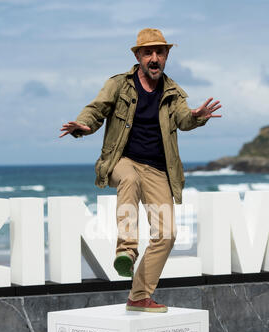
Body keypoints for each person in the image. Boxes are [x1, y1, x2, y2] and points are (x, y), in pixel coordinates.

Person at [59, 28, 222, 313]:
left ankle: (138, 296)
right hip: (122, 161)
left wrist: (197, 117)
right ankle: (126, 250)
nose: (154, 58)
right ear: (138, 56)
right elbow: (96, 110)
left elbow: (184, 119)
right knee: (130, 178)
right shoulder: (119, 85)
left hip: (159, 170)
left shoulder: (173, 92)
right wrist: (82, 126)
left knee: (167, 234)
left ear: (167, 55)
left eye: (160, 52)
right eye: (148, 52)